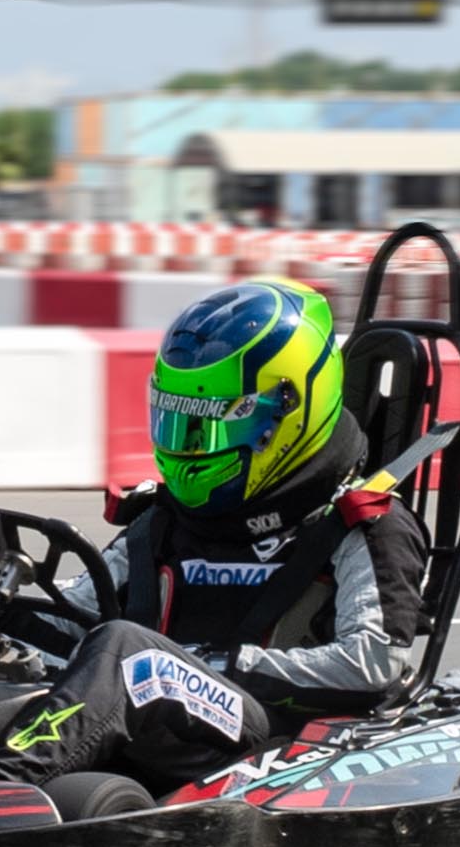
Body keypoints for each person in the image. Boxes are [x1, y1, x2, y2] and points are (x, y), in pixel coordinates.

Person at [25, 277, 431, 790]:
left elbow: (374, 662)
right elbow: (72, 617)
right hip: (150, 720)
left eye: (210, 426)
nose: (191, 448)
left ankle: (3, 788)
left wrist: (209, 663)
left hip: (268, 741)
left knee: (128, 650)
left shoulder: (362, 523)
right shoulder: (162, 521)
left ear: (289, 409)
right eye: (179, 424)